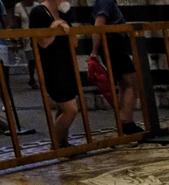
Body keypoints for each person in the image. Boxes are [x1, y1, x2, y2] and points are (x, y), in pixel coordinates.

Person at [29, 0, 79, 147]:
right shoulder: (38, 12)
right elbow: (43, 42)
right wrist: (54, 27)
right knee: (70, 110)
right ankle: (56, 144)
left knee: (62, 108)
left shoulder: (63, 14)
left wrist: (67, 29)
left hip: (66, 64)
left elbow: (74, 42)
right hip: (52, 67)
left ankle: (63, 141)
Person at [89, 0, 141, 135]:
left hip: (113, 46)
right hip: (113, 47)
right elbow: (98, 26)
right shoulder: (105, 1)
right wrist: (94, 51)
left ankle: (124, 121)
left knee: (124, 85)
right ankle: (127, 122)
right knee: (131, 84)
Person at [12, 0, 38, 87]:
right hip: (26, 35)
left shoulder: (37, 5)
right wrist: (18, 37)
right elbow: (17, 22)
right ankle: (32, 78)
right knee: (31, 58)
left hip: (37, 34)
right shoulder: (19, 6)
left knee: (39, 57)